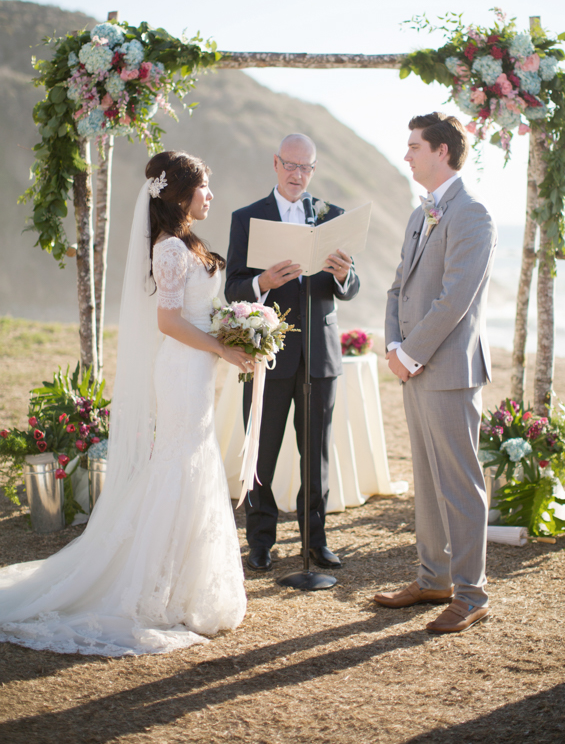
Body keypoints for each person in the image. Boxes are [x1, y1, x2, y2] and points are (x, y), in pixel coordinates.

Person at [0, 151, 249, 656]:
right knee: (179, 464)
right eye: (204, 186)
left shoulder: (188, 243)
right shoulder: (169, 249)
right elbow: (169, 322)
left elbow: (201, 310)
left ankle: (184, 582)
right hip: (181, 368)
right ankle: (154, 588)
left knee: (192, 461)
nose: (210, 195)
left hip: (197, 367)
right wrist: (222, 347)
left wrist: (239, 328)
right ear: (181, 193)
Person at [374, 113, 497, 634]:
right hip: (415, 365)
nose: (407, 155)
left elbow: (454, 301)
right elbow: (397, 288)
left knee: (460, 484)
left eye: (414, 146)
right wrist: (393, 346)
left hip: (448, 369)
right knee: (425, 480)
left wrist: (412, 353)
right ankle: (434, 578)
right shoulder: (418, 213)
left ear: (442, 151)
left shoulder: (472, 214)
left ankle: (471, 595)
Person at [225, 133, 360, 572]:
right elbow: (232, 289)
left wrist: (344, 276)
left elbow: (351, 288)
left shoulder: (331, 217)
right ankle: (260, 541)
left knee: (315, 454)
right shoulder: (247, 218)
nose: (298, 175)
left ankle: (315, 541)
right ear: (276, 164)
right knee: (261, 452)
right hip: (269, 356)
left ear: (313, 171)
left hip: (320, 356)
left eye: (307, 168)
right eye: (291, 165)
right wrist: (263, 282)